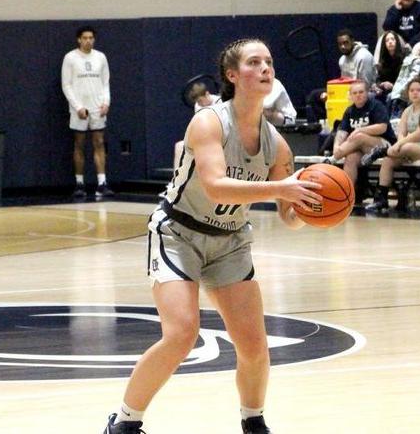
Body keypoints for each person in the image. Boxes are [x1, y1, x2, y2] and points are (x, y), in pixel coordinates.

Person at [103, 38, 322, 434]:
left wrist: (313, 207)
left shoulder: (278, 144)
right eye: (254, 62)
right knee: (182, 334)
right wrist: (282, 190)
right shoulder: (208, 122)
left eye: (269, 62)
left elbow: (289, 217)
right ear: (232, 75)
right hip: (179, 234)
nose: (266, 68)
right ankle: (123, 422)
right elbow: (218, 186)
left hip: (231, 240)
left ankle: (253, 422)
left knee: (255, 347)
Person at [366, 87, 420, 213]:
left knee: (407, 147)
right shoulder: (407, 110)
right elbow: (401, 133)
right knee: (388, 161)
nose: (415, 92)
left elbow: (418, 134)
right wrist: (399, 145)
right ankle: (381, 198)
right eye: (412, 90)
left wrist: (400, 145)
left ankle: (383, 151)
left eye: (418, 90)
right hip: (408, 149)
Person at [61, 25, 113, 198]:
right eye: (85, 38)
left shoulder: (101, 57)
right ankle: (79, 183)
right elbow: (66, 84)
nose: (88, 41)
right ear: (79, 39)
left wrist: (106, 102)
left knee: (99, 142)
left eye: (91, 38)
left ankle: (102, 182)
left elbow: (106, 83)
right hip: (80, 108)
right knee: (79, 144)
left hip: (97, 106)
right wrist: (77, 107)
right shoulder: (70, 58)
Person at [324, 80, 396, 186]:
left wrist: (359, 130)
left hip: (384, 147)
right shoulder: (349, 111)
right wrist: (336, 147)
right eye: (355, 93)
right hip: (362, 149)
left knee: (359, 136)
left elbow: (382, 128)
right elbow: (341, 132)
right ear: (350, 96)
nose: (358, 95)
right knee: (350, 158)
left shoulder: (376, 106)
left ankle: (333, 159)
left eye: (361, 92)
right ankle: (348, 195)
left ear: (367, 93)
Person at [306, 29, 376, 122]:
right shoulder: (342, 60)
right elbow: (343, 82)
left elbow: (365, 84)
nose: (343, 46)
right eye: (340, 44)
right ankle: (327, 123)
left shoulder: (364, 57)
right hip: (346, 90)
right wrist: (331, 94)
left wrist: (341, 95)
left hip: (363, 91)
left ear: (352, 41)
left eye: (345, 43)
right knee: (314, 96)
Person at [387, 40, 420, 118]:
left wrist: (401, 91)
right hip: (401, 95)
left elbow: (411, 78)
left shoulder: (414, 60)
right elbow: (411, 78)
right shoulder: (416, 61)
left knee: (395, 119)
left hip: (399, 94)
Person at [373, 31, 408, 103]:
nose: (390, 42)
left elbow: (405, 80)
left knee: (390, 97)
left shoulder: (404, 59)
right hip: (384, 90)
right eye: (387, 40)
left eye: (392, 39)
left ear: (397, 41)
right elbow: (378, 79)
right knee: (372, 96)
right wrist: (381, 84)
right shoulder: (383, 60)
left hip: (399, 90)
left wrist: (392, 86)